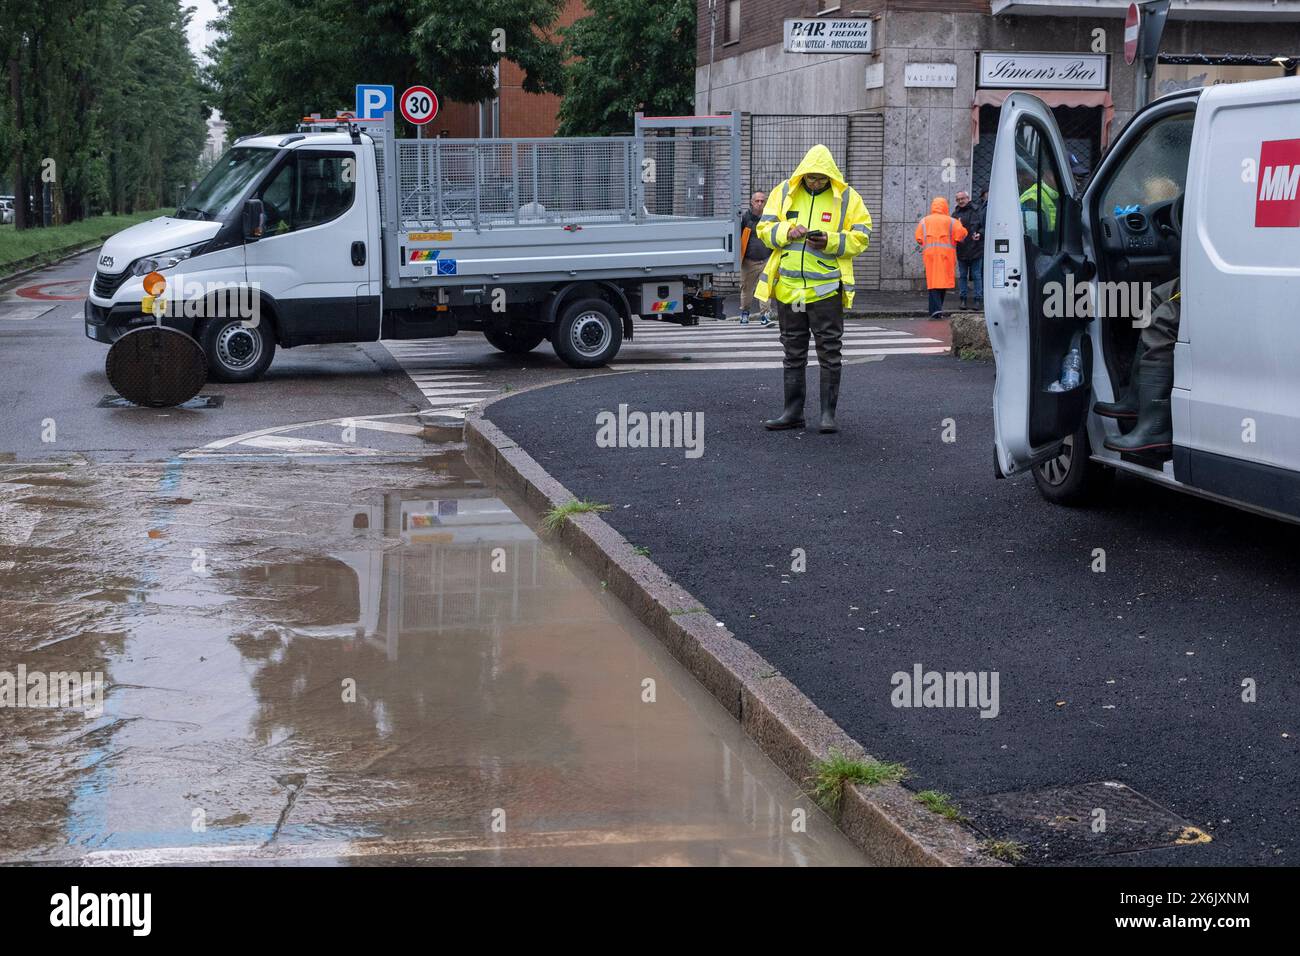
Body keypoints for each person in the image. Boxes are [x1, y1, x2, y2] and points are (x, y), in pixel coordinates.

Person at [754, 144, 873, 434]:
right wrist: (786, 232)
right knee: (793, 352)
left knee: (829, 353)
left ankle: (827, 415)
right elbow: (764, 229)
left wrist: (830, 241)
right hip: (789, 290)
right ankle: (792, 413)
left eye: (821, 178)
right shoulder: (783, 192)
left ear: (830, 175)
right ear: (802, 174)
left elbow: (862, 235)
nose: (815, 183)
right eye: (810, 178)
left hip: (825, 291)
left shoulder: (846, 197)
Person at [914, 197, 967, 318]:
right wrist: (961, 225)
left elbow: (918, 238)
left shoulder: (924, 221)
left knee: (933, 282)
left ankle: (935, 311)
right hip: (946, 256)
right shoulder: (952, 221)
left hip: (930, 256)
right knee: (942, 282)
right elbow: (962, 235)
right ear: (945, 206)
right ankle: (936, 310)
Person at [737, 191, 771, 326]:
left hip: (766, 259)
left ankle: (765, 315)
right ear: (752, 202)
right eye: (757, 201)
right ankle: (745, 313)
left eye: (762, 201)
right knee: (746, 289)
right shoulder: (745, 218)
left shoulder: (769, 218)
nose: (760, 203)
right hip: (749, 261)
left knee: (765, 288)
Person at [952, 190, 984, 311]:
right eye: (958, 199)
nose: (961, 201)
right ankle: (963, 300)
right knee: (963, 276)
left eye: (963, 198)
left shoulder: (977, 210)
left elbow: (983, 226)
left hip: (976, 248)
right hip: (962, 249)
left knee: (977, 275)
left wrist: (980, 234)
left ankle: (977, 300)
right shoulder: (955, 214)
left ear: (968, 198)